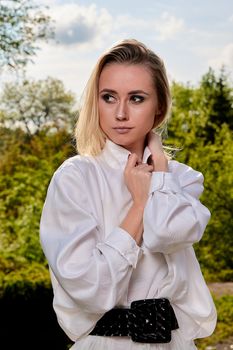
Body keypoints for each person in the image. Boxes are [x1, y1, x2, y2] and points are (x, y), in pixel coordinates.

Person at [40, 39, 217, 350]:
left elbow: (164, 234)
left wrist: (160, 170)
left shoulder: (183, 179)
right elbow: (90, 288)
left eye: (136, 98)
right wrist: (139, 204)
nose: (120, 113)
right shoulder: (75, 177)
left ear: (159, 106)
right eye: (109, 97)